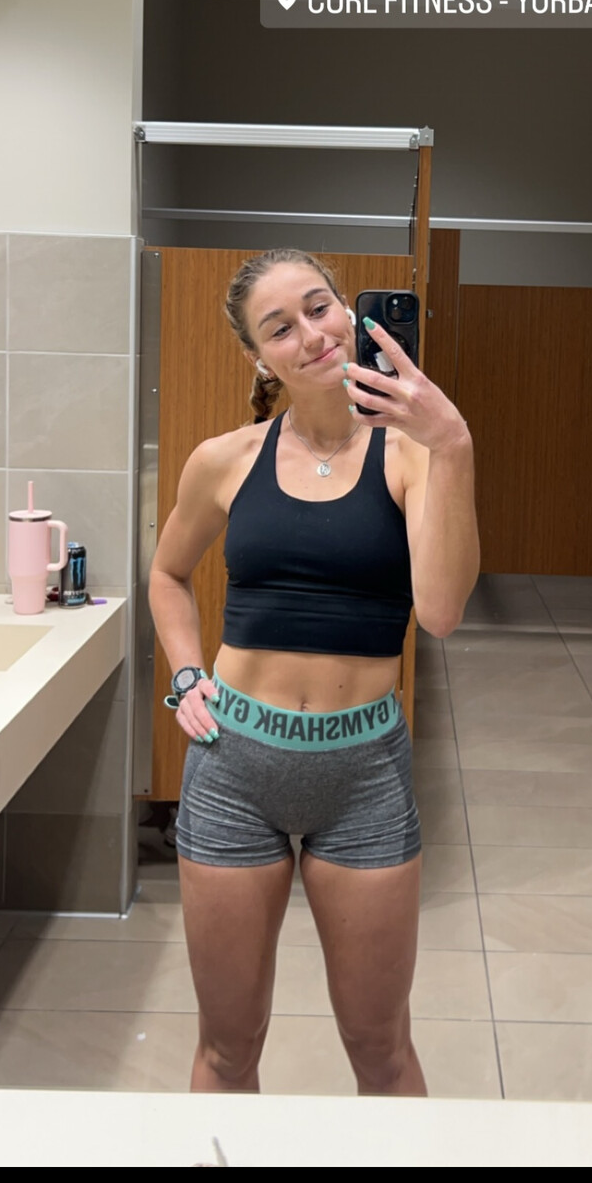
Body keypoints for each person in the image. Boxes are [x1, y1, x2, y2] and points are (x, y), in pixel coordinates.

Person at [148, 248, 480, 1097]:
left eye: (320, 306)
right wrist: (186, 676)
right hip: (233, 766)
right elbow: (168, 574)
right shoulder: (225, 459)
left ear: (348, 311)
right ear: (260, 357)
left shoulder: (411, 456)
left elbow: (441, 611)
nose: (312, 334)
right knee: (228, 1050)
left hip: (364, 774)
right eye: (280, 327)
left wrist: (452, 443)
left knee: (381, 1050)